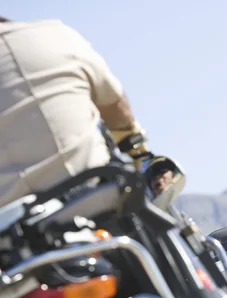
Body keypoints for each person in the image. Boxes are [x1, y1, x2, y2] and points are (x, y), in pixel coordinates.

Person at [0, 16, 146, 206]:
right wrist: (133, 143)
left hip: (15, 225)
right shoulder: (56, 36)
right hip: (99, 195)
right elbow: (116, 108)